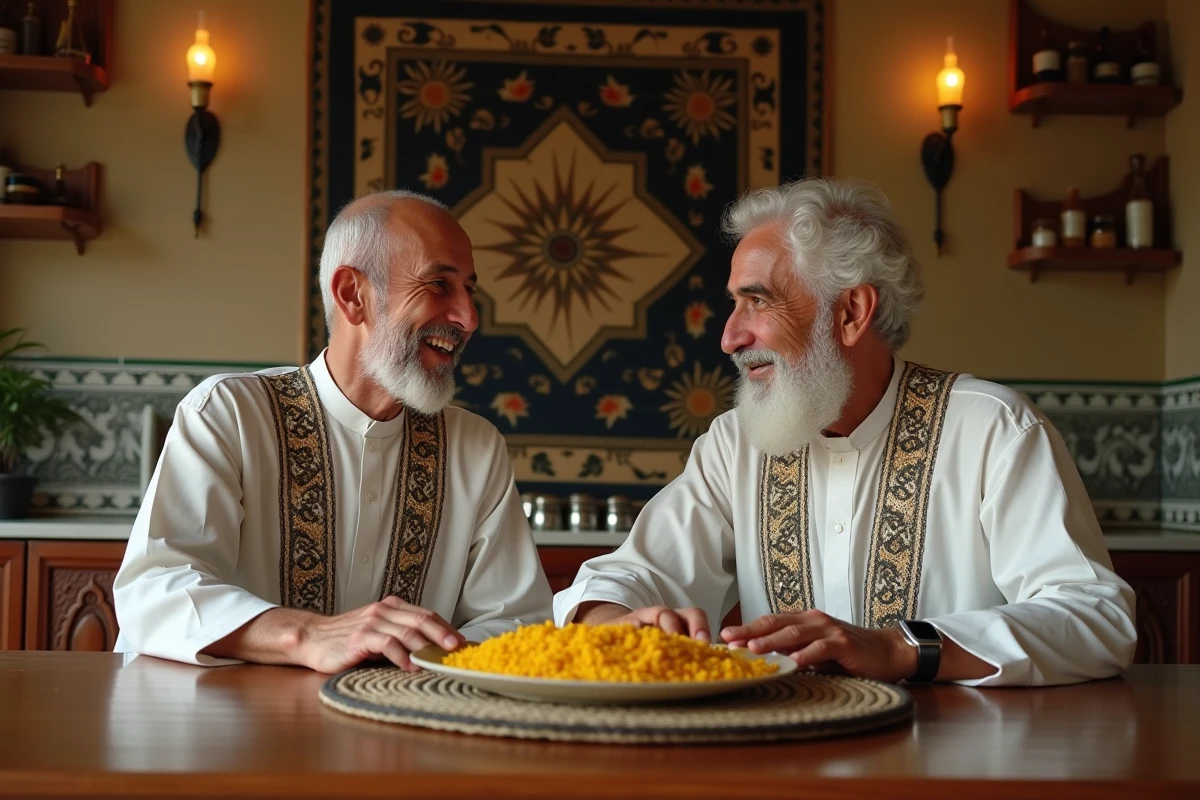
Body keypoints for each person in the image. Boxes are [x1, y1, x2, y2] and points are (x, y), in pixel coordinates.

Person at [553, 178, 1136, 687]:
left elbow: (1094, 618)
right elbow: (637, 572)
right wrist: (613, 619)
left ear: (852, 312)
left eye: (757, 302)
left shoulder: (992, 428)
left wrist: (900, 647)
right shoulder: (735, 444)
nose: (729, 336)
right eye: (734, 304)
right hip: (785, 765)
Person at [115, 190, 552, 671]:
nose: (468, 317)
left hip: (398, 736)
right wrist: (306, 634)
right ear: (352, 295)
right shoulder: (229, 412)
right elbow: (154, 593)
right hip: (225, 733)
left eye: (469, 290)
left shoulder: (475, 447)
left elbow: (516, 622)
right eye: (438, 285)